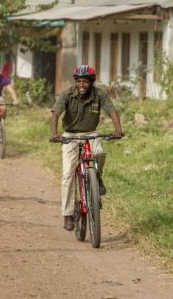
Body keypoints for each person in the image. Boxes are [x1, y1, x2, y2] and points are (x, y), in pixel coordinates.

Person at [50, 65, 122, 231]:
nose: (82, 85)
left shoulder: (100, 94)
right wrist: (55, 133)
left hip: (91, 133)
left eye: (86, 82)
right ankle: (67, 214)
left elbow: (112, 111)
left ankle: (96, 180)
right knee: (68, 174)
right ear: (76, 82)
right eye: (79, 81)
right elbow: (55, 113)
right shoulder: (67, 94)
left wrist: (117, 129)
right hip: (70, 136)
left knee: (100, 153)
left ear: (91, 82)